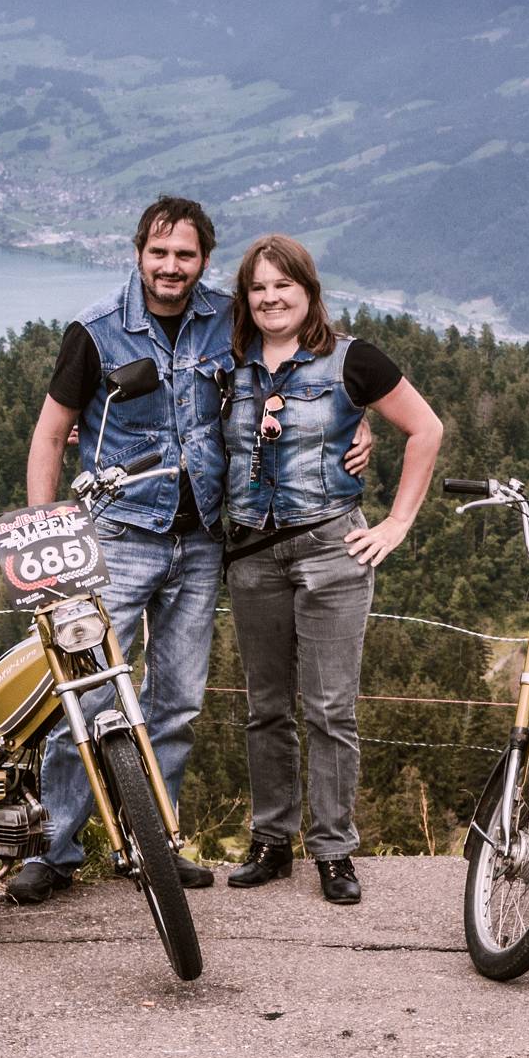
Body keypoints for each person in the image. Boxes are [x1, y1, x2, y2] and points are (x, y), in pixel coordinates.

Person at [11, 196, 314, 904]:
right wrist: (49, 537)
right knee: (85, 699)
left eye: (185, 254)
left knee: (175, 704)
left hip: (202, 540)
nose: (171, 266)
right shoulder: (95, 332)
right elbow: (50, 435)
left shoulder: (228, 320)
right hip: (116, 539)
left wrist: (357, 424)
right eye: (159, 252)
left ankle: (154, 847)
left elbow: (301, 362)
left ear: (204, 259)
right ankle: (54, 851)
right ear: (139, 253)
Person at [217, 232, 443, 905]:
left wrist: (397, 523)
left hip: (330, 549)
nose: (270, 298)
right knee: (265, 709)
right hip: (251, 555)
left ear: (308, 290)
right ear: (245, 297)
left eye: (282, 285)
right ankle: (271, 841)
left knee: (329, 710)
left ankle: (334, 850)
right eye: (257, 287)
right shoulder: (225, 363)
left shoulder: (352, 359)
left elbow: (426, 429)